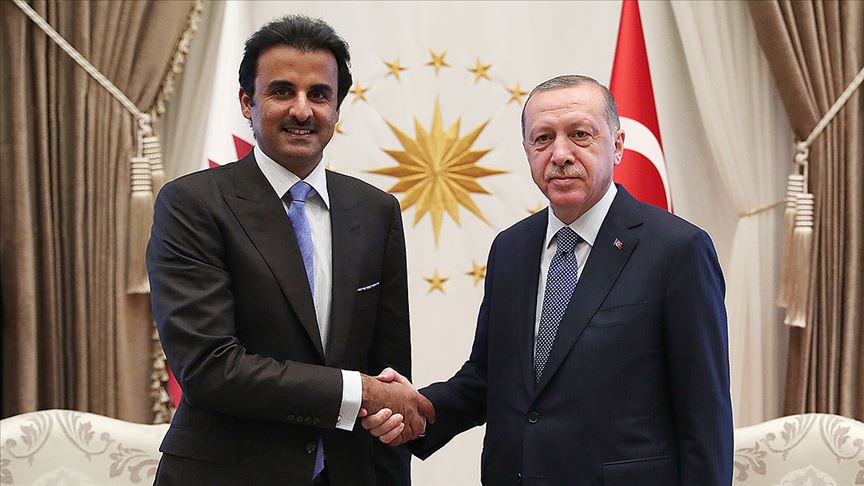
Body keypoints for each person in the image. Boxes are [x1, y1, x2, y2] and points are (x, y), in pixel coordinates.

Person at [362, 75, 733, 485]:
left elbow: (704, 417)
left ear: (618, 145)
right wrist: (420, 409)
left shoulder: (679, 250)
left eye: (579, 134)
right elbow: (488, 377)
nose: (560, 154)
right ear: (527, 151)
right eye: (543, 139)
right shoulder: (511, 248)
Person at [147, 15, 433, 486]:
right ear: (247, 102)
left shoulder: (375, 210)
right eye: (282, 91)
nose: (302, 110)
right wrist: (357, 391)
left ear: (337, 108)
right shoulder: (192, 204)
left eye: (319, 94)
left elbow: (388, 379)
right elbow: (210, 368)